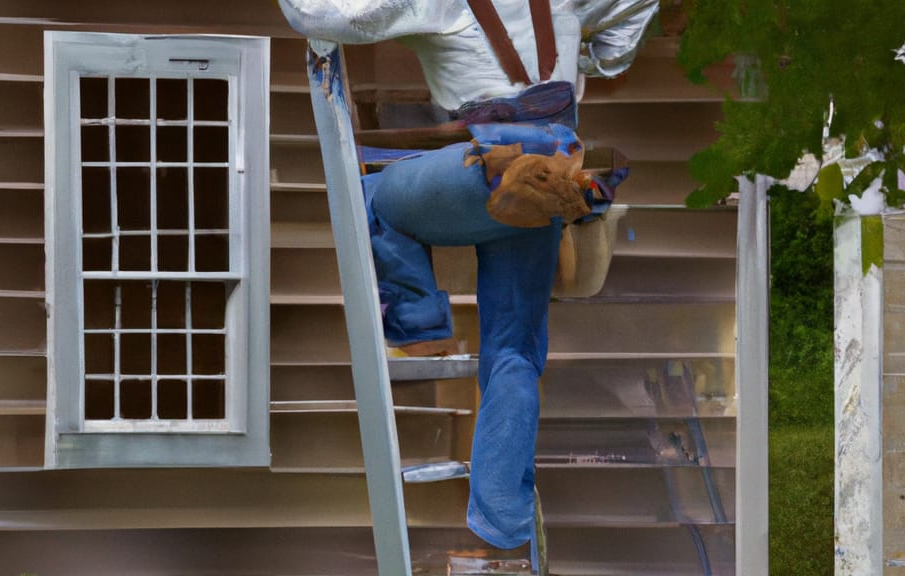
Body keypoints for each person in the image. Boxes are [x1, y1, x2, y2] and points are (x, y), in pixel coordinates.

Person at [278, 0, 659, 555]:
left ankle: (418, 320)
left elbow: (331, 18)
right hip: (558, 170)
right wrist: (593, 57)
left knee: (371, 194)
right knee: (514, 354)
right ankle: (504, 522)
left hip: (497, 170)